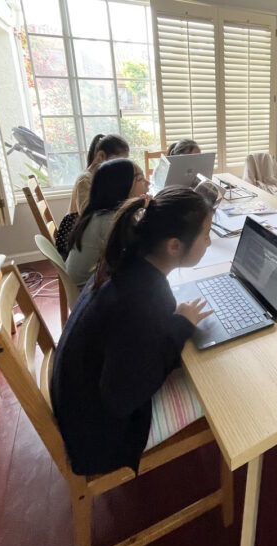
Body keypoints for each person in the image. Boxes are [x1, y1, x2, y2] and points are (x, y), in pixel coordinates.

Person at [51, 187, 214, 475]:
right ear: (174, 245)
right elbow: (123, 397)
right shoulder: (146, 300)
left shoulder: (125, 264)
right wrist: (180, 326)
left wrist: (173, 323)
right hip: (98, 440)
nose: (209, 242)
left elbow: (133, 350)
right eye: (205, 235)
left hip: (77, 403)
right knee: (211, 385)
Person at [65, 159, 148, 286]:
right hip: (90, 293)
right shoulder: (109, 220)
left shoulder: (98, 213)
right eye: (140, 179)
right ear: (122, 186)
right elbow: (139, 256)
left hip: (86, 287)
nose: (147, 183)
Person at [69, 133, 130, 214]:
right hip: (84, 225)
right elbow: (87, 214)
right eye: (118, 162)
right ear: (101, 156)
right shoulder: (85, 179)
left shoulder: (106, 178)